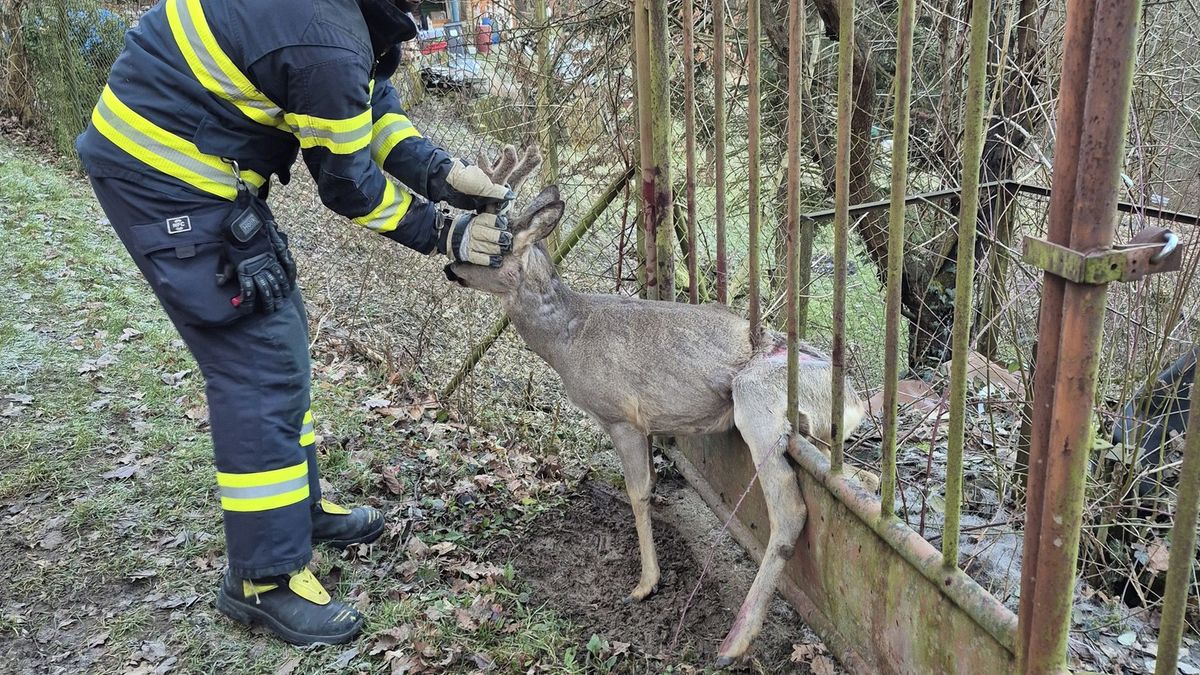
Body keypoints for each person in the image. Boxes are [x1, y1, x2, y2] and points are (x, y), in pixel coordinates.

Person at [75, 0, 513, 646]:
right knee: (257, 358)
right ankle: (263, 579)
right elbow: (350, 182)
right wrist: (443, 229)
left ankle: (294, 513)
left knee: (280, 330)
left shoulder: (340, 23)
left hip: (185, 153)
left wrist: (440, 171)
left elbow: (366, 104)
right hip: (163, 172)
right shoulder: (327, 39)